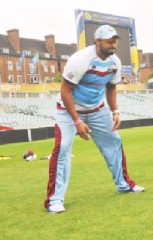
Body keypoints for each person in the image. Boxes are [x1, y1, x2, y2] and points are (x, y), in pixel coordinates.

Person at [44, 24, 144, 214]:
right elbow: (65, 90)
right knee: (63, 147)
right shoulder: (80, 59)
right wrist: (77, 121)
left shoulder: (115, 61)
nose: (113, 43)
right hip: (68, 109)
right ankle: (54, 200)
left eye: (114, 40)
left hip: (97, 109)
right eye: (108, 40)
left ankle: (123, 184)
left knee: (114, 141)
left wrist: (115, 112)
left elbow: (112, 87)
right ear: (97, 41)